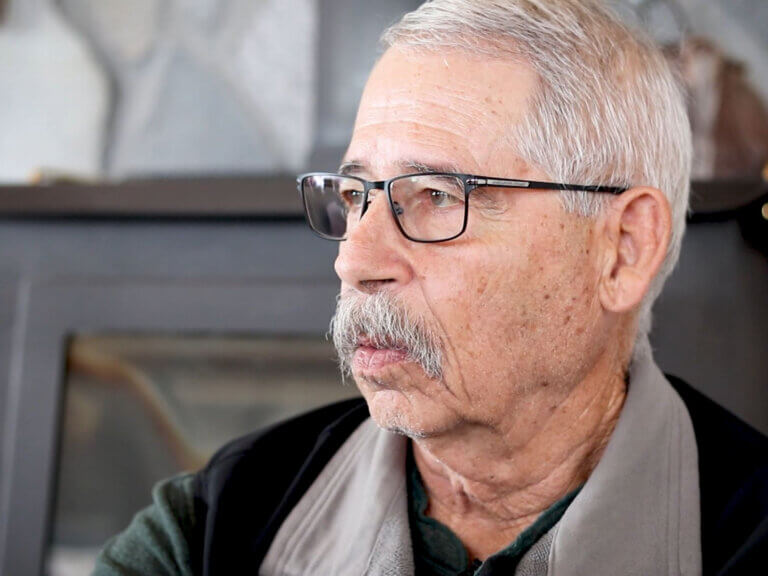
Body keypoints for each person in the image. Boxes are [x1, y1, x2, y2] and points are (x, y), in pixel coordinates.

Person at [93, 1, 768, 574]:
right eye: (356, 196)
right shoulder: (215, 526)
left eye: (439, 196)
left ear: (622, 248)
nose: (354, 262)